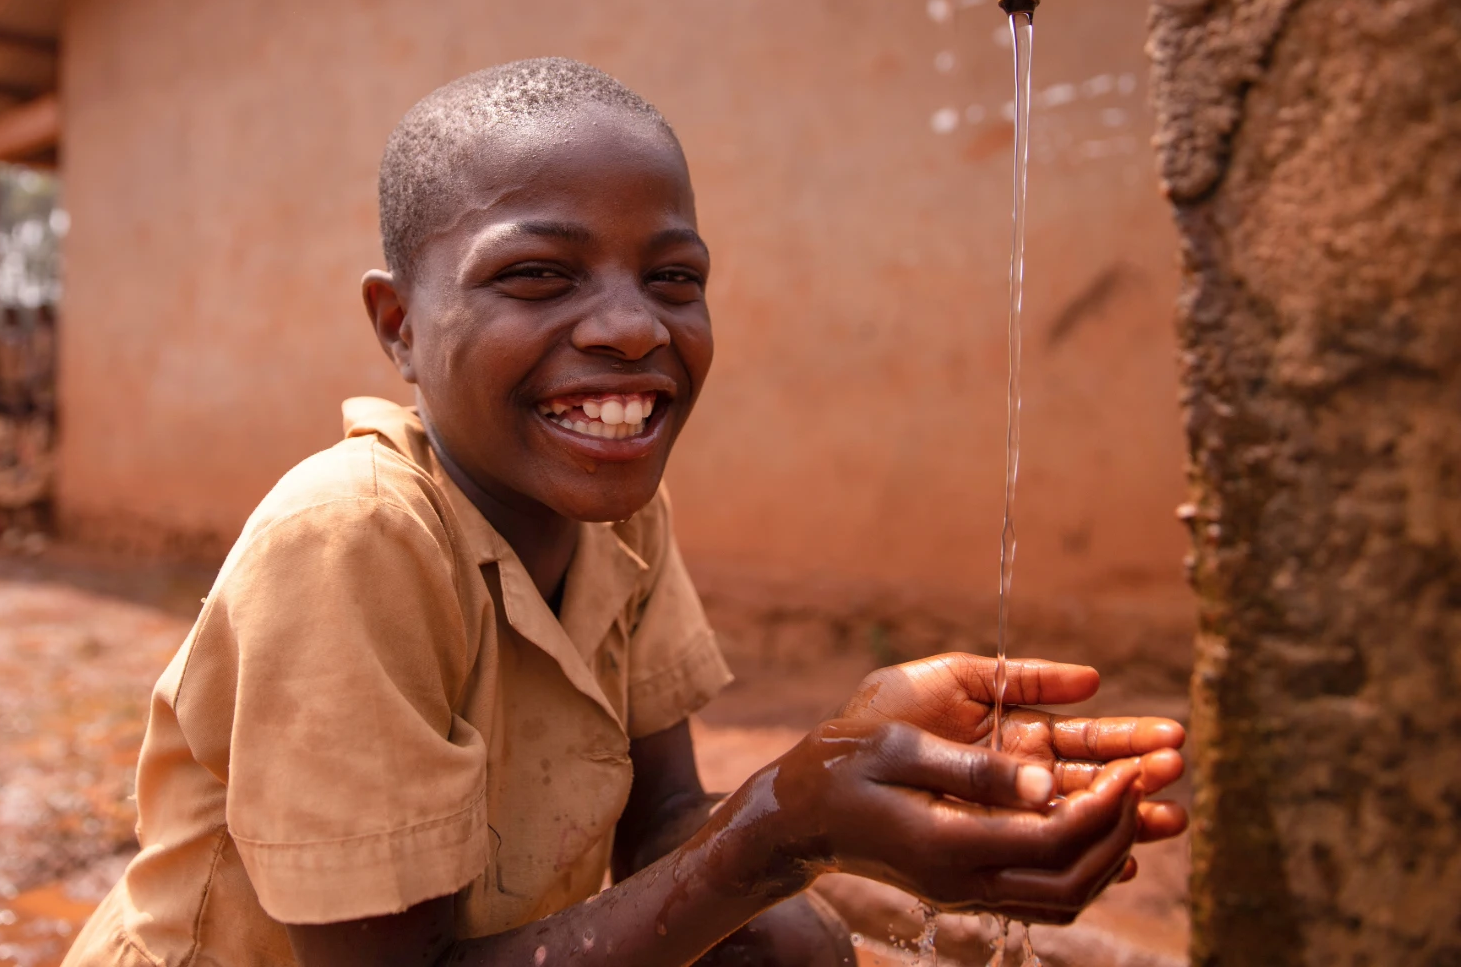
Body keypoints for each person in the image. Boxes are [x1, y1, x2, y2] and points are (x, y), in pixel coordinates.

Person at [62, 58, 1186, 967]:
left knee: (789, 945)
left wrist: (871, 790)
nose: (634, 328)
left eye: (674, 278)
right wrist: (787, 823)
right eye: (540, 278)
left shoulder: (616, 513)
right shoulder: (353, 537)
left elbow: (662, 826)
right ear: (399, 325)